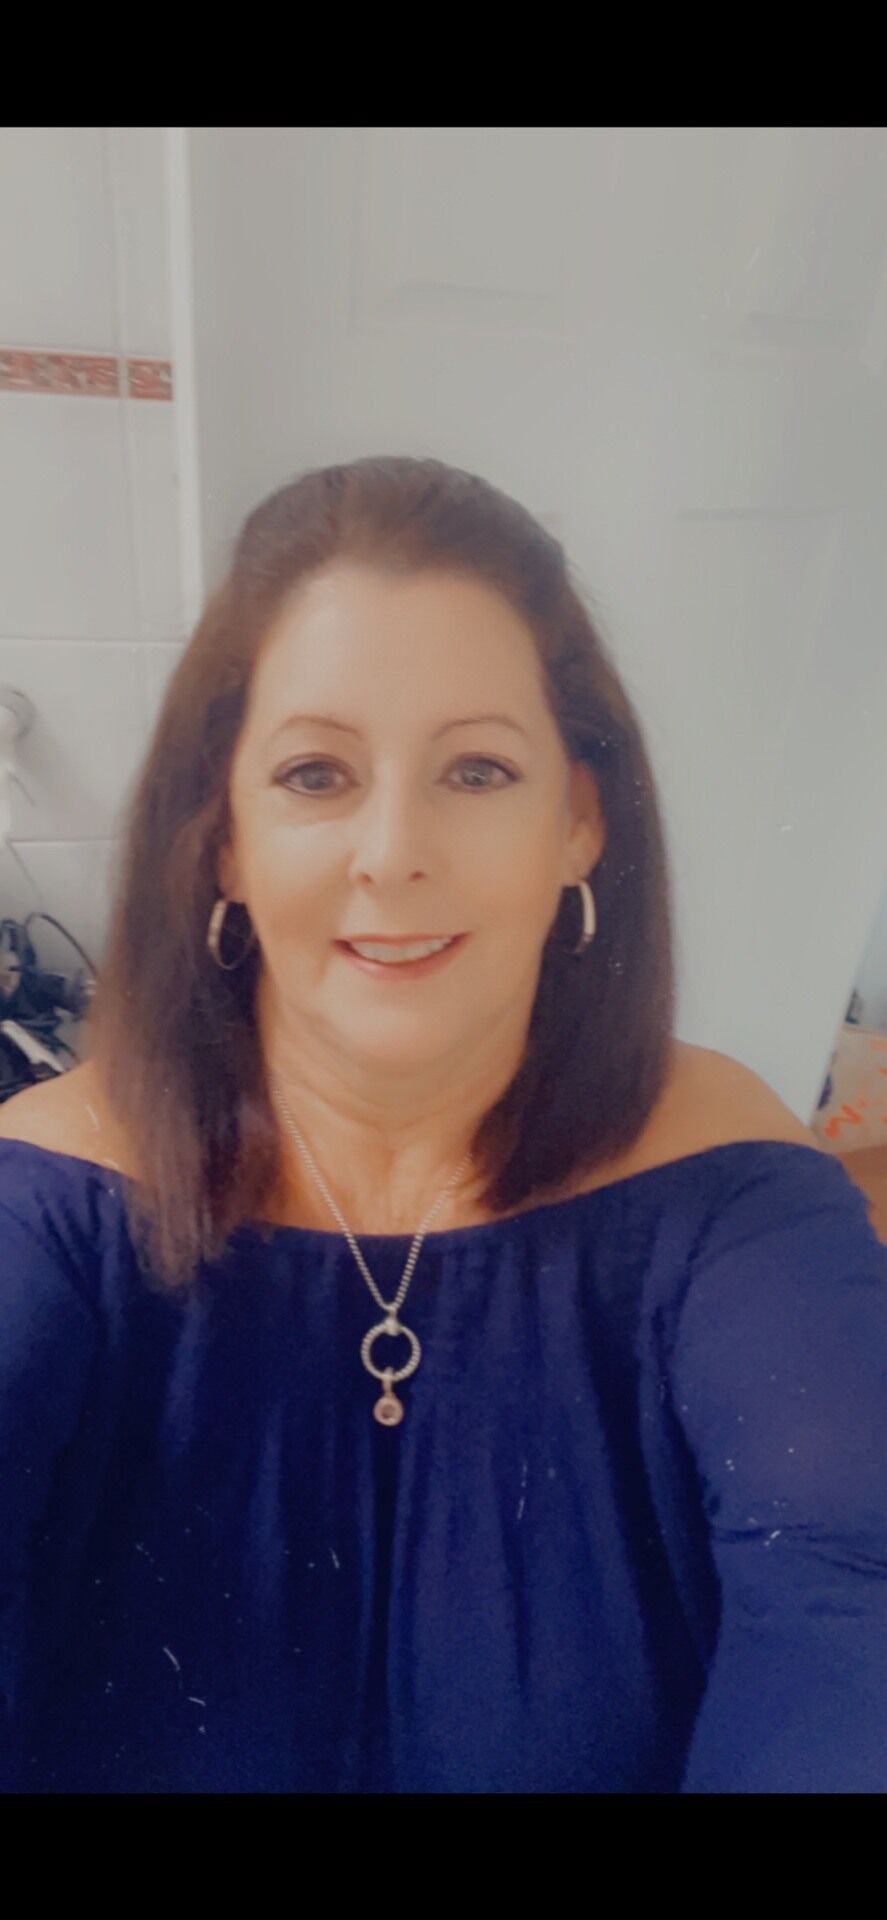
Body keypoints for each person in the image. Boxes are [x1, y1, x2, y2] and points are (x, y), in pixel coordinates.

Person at [1, 454, 885, 1794]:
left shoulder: (724, 1182)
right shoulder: (56, 1197)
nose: (394, 851)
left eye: (477, 769)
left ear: (578, 821)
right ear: (225, 838)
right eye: (316, 774)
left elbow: (853, 1585)